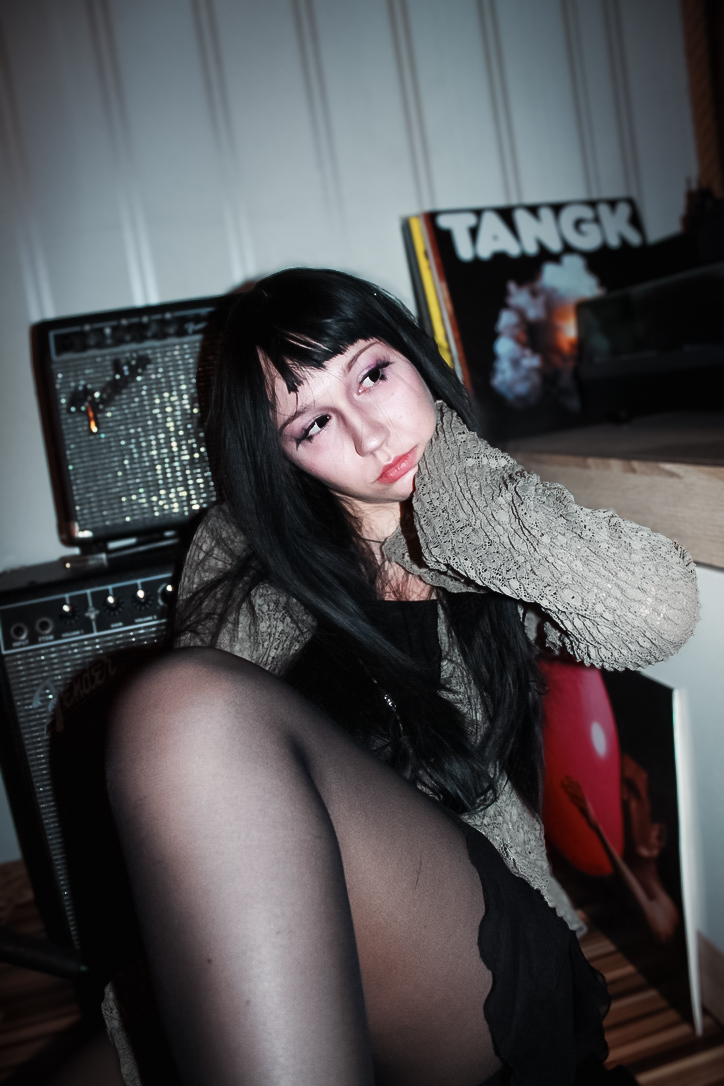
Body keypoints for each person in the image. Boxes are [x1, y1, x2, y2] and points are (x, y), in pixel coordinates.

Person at [105, 268, 699, 1085]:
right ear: (282, 458)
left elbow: (653, 611)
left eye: (374, 374)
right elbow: (209, 818)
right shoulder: (243, 547)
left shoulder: (489, 522)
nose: (371, 436)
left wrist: (445, 465)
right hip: (315, 962)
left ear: (415, 356)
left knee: (180, 709)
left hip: (489, 963)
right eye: (314, 423)